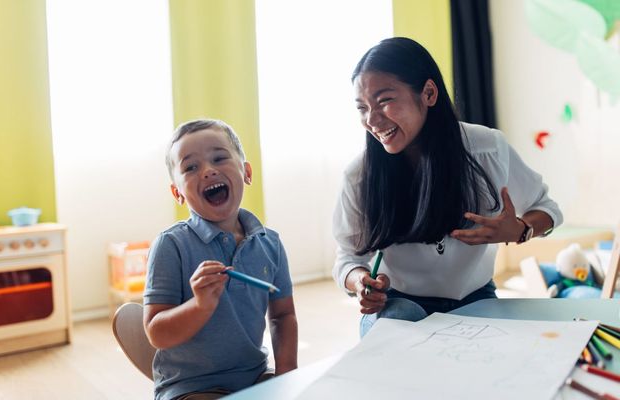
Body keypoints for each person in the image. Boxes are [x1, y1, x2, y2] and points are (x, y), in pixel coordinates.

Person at [332, 37, 562, 337]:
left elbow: (548, 210)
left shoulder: (487, 148)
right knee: (404, 320)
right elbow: (347, 259)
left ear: (428, 93)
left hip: (475, 297)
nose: (372, 120)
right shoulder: (359, 176)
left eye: (384, 101)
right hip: (400, 302)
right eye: (362, 108)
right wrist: (360, 281)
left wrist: (520, 229)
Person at [144, 119, 298, 400]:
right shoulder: (171, 245)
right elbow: (157, 333)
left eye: (219, 157)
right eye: (190, 167)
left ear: (246, 172)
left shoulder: (270, 243)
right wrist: (200, 305)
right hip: (191, 387)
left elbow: (283, 315)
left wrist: (287, 377)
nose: (208, 170)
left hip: (254, 376)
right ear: (177, 192)